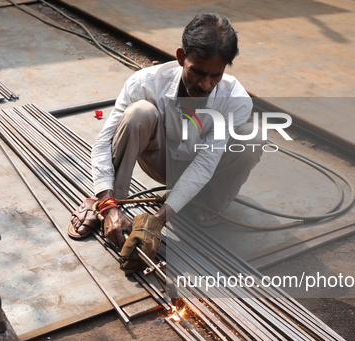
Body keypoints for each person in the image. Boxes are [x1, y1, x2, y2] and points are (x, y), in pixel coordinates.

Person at [68, 13, 262, 273]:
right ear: (182, 57)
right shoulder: (146, 83)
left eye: (216, 75)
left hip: (206, 170)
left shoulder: (234, 99)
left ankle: (210, 200)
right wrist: (109, 204)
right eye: (198, 72)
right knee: (140, 113)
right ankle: (110, 204)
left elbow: (206, 162)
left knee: (254, 137)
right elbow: (103, 143)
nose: (205, 84)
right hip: (159, 162)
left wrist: (157, 221)